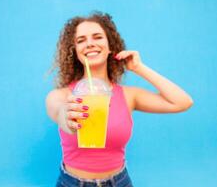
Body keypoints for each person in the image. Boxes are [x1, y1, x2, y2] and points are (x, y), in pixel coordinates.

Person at [46, 11, 193, 186]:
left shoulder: (129, 95)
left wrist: (139, 68)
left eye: (97, 37)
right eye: (81, 40)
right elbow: (61, 114)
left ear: (110, 47)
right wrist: (69, 118)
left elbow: (182, 102)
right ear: (75, 51)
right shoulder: (60, 96)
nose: (90, 44)